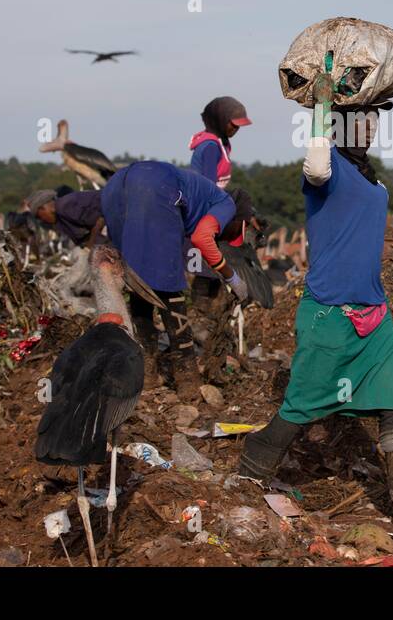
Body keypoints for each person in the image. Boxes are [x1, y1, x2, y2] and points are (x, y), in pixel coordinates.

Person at [238, 64, 393, 533]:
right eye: (361, 116)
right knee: (300, 408)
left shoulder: (370, 179)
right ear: (337, 125)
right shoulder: (326, 170)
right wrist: (320, 105)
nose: (371, 125)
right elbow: (316, 163)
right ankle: (252, 467)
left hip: (374, 315)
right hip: (330, 315)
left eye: (374, 117)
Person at [100, 161, 247, 399]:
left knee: (139, 283)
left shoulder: (199, 192)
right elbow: (202, 237)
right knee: (169, 285)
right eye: (236, 234)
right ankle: (187, 377)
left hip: (114, 188)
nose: (228, 238)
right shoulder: (226, 204)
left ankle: (146, 372)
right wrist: (233, 278)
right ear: (239, 221)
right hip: (157, 185)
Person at [189, 96, 251, 188]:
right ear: (221, 120)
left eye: (238, 126)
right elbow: (209, 188)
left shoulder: (222, 142)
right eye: (233, 125)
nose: (236, 129)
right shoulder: (211, 147)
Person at [26, 188, 105, 247]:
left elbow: (100, 220)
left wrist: (89, 246)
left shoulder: (65, 207)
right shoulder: (61, 219)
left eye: (39, 216)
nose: (42, 220)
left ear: (43, 208)